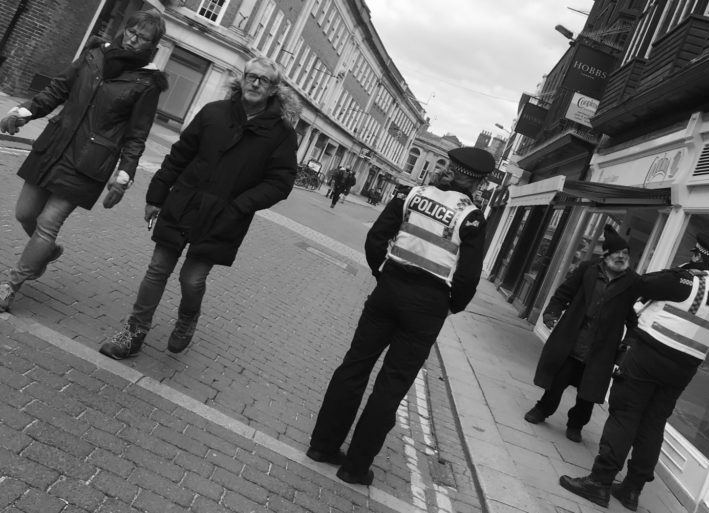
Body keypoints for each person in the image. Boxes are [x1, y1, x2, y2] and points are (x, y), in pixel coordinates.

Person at [306, 147, 494, 486]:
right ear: (477, 182)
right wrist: (451, 305)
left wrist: (382, 272)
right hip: (428, 306)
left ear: (449, 168)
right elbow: (468, 277)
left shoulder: (411, 194)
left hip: (389, 288)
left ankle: (322, 446)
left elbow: (376, 238)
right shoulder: (472, 218)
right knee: (391, 386)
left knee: (354, 366)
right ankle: (355, 468)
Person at [98, 55, 301, 359]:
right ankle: (134, 332)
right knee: (157, 269)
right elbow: (180, 155)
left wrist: (239, 206)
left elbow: (280, 182)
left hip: (224, 216)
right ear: (242, 79)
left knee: (191, 279)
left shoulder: (281, 134)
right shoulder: (213, 112)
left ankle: (188, 317)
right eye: (251, 76)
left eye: (264, 80)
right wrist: (156, 195)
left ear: (274, 89)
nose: (256, 83)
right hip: (184, 202)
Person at [0, 10, 168, 312]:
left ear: (153, 46)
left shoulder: (148, 82)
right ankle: (45, 252)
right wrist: (25, 112)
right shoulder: (95, 53)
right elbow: (58, 89)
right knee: (25, 214)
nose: (133, 40)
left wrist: (124, 174)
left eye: (143, 38)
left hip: (89, 162)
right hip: (55, 145)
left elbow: (136, 135)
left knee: (48, 223)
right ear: (125, 29)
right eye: (132, 32)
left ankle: (12, 284)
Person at [560, 233, 709, 511]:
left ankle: (599, 482)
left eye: (693, 255)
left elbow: (640, 283)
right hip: (684, 368)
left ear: (698, 256)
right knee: (653, 424)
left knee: (625, 415)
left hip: (649, 355)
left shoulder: (684, 280)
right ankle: (631, 490)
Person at [525, 225, 641, 443]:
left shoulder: (632, 282)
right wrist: (552, 313)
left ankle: (576, 425)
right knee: (557, 382)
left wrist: (628, 342)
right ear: (606, 254)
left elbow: (633, 317)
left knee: (588, 394)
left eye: (625, 253)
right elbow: (564, 293)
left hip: (601, 349)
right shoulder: (588, 269)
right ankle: (542, 410)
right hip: (573, 340)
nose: (621, 257)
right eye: (617, 252)